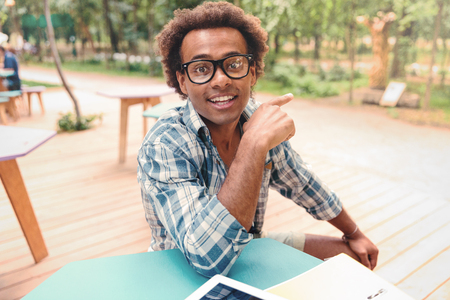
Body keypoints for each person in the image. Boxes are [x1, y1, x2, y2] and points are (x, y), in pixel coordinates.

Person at [137, 1, 378, 278]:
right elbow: (206, 258)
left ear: (251, 73)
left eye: (234, 64)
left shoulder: (253, 117)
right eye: (202, 68)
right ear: (182, 81)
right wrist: (252, 143)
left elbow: (302, 183)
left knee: (353, 257)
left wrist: (354, 232)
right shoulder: (165, 143)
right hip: (183, 268)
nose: (220, 80)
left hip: (248, 247)